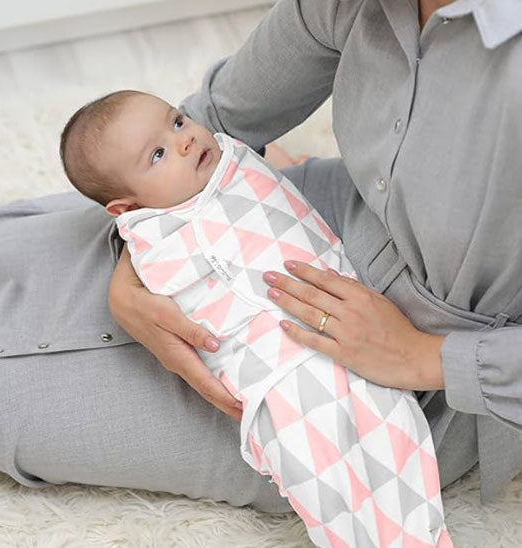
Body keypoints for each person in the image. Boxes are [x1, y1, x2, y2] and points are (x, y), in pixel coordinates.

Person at [0, 0, 520, 535]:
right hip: (303, 212)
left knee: (6, 393)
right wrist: (133, 259)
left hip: (429, 363)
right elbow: (216, 117)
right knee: (12, 251)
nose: (180, 137)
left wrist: (428, 359)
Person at [58, 89, 452, 546]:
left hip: (347, 333)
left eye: (178, 121)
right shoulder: (148, 232)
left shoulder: (230, 156)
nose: (184, 140)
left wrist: (291, 163)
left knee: (398, 443)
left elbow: (256, 140)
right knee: (325, 485)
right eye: (159, 154)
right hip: (275, 381)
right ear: (126, 209)